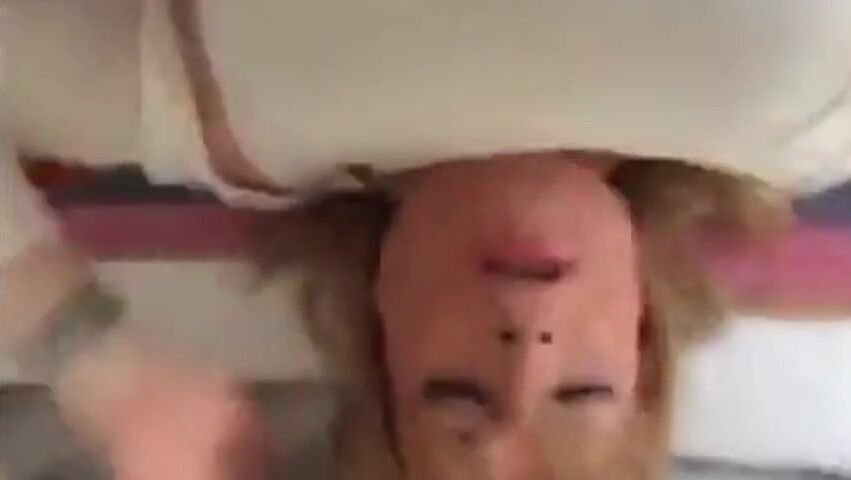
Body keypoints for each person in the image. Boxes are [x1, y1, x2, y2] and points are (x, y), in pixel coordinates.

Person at [2, 1, 850, 479]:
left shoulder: (206, 112)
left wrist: (99, 367)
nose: (526, 346)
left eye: (457, 394)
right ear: (644, 348)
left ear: (381, 336)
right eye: (580, 392)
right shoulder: (809, 124)